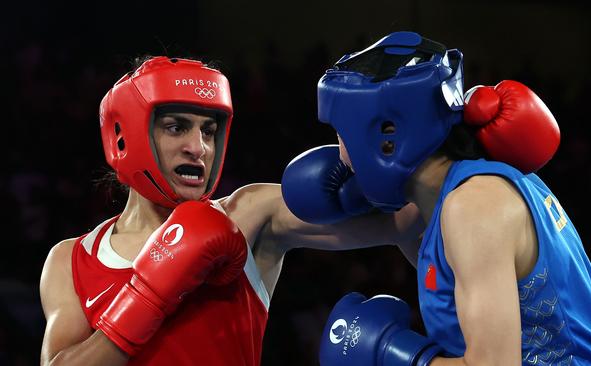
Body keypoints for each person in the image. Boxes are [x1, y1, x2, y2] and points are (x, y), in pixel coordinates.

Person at [39, 56, 427, 366]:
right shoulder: (71, 260)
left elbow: (404, 220)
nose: (199, 148)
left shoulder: (247, 215)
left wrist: (448, 146)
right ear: (127, 137)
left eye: (208, 131)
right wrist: (147, 296)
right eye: (176, 127)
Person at [281, 31, 591, 365]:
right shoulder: (447, 197)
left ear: (386, 140)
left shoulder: (474, 207)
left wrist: (393, 355)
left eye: (341, 137)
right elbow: (322, 225)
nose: (341, 158)